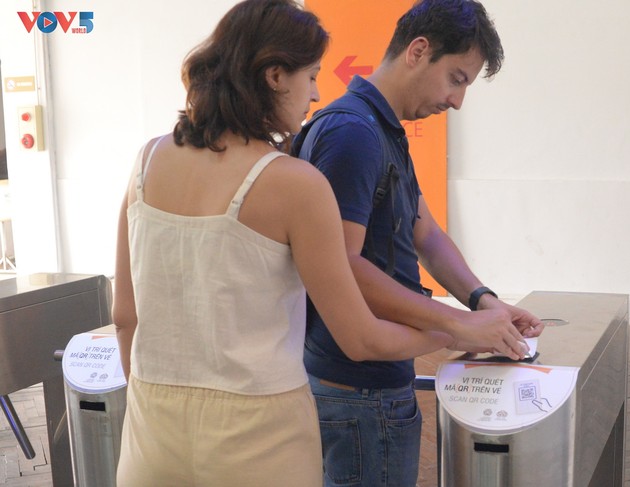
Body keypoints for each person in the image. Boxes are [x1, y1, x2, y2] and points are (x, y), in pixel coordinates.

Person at [111, 1, 471, 485]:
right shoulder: (294, 183)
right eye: (312, 76)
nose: (317, 93)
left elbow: (125, 316)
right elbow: (360, 338)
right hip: (259, 437)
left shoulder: (148, 160)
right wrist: (455, 333)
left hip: (151, 432)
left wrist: (153, 402)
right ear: (276, 75)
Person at [291, 1, 545, 485]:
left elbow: (424, 232)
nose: (457, 101)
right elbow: (341, 265)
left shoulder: (381, 128)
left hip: (373, 384)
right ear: (418, 51)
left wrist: (484, 301)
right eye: (456, 79)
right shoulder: (353, 134)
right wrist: (458, 325)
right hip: (357, 392)